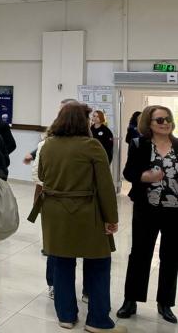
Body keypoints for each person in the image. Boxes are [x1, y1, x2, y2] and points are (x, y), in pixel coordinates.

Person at [29, 103, 122, 333]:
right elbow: (105, 186)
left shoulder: (48, 145)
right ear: (83, 121)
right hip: (87, 211)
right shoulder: (92, 146)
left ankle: (66, 316)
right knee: (99, 262)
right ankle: (98, 320)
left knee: (61, 262)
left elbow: (41, 175)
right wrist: (111, 218)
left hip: (54, 211)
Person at [117, 105, 178, 324]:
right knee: (140, 254)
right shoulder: (139, 144)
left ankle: (165, 303)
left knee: (171, 256)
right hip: (146, 208)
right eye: (160, 120)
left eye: (168, 119)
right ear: (149, 124)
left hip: (174, 211)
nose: (165, 123)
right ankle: (130, 300)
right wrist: (145, 177)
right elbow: (128, 172)